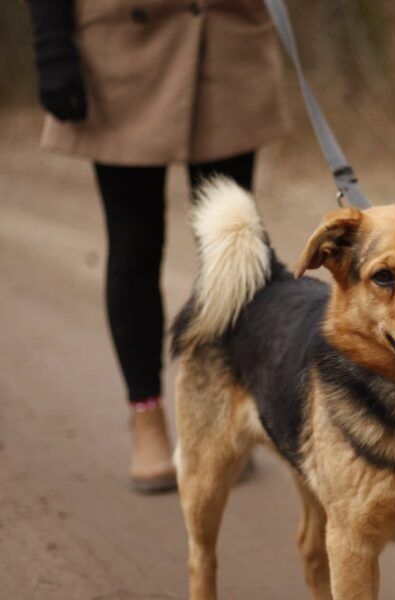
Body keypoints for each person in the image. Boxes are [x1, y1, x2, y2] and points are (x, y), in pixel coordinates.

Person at [28, 0, 288, 492]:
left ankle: (229, 412)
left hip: (226, 37)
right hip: (123, 48)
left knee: (231, 240)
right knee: (134, 242)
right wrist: (51, 46)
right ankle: (146, 419)